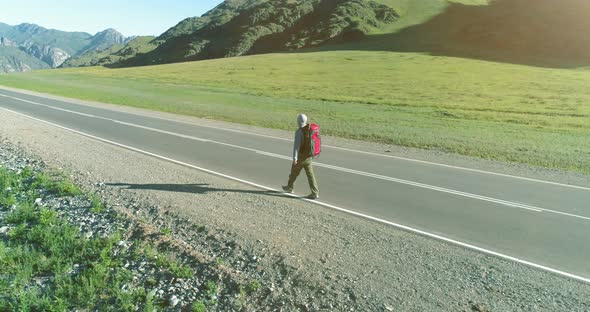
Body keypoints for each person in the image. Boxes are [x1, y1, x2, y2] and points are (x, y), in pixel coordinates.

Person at [282, 114, 319, 199]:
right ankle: (315, 193)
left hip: (301, 157)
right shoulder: (310, 129)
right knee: (311, 176)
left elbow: (296, 147)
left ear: (298, 121)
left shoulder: (299, 132)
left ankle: (289, 188)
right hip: (309, 157)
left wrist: (295, 158)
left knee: (293, 173)